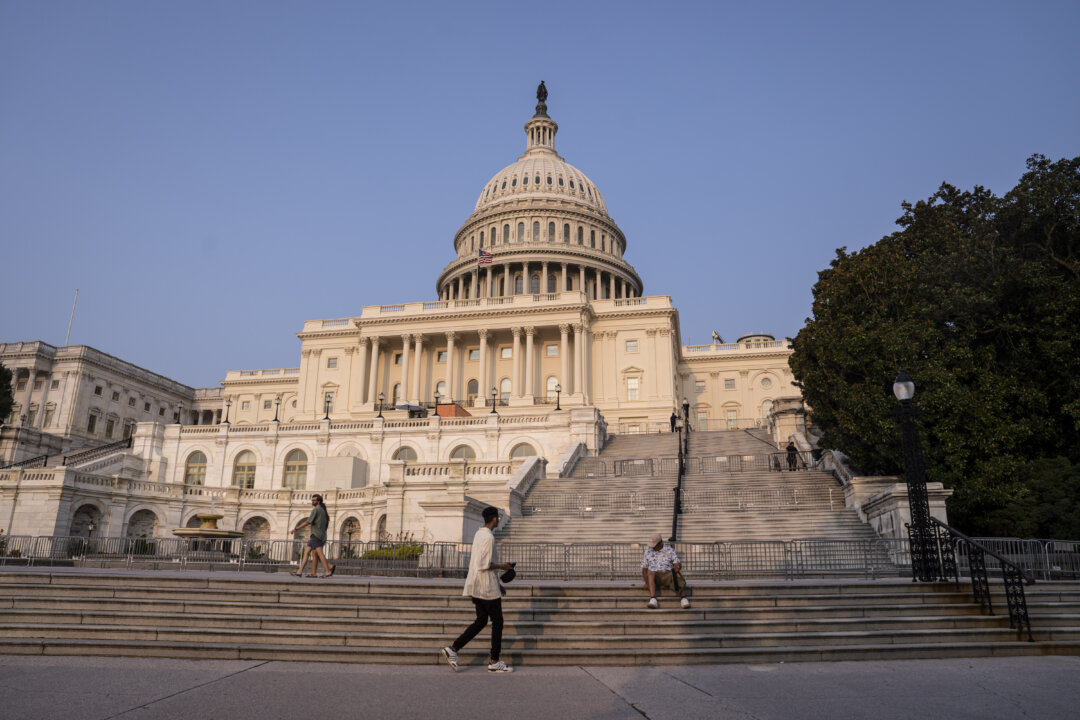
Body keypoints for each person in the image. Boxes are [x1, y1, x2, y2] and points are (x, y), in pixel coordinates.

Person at [441, 506, 514, 673]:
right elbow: (484, 564)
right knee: (498, 622)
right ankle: (494, 661)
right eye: (498, 517)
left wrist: (499, 583)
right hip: (486, 588)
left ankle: (453, 649)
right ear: (495, 519)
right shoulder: (488, 537)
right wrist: (503, 566)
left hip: (478, 585)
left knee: (481, 621)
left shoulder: (479, 533)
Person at [641, 533, 690, 609]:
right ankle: (653, 599)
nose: (653, 547)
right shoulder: (648, 551)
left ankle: (683, 598)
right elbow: (644, 570)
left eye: (655, 545)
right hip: (654, 576)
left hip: (667, 574)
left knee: (677, 573)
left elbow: (677, 562)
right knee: (651, 573)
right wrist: (646, 582)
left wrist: (677, 566)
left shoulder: (669, 550)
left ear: (660, 543)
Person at [292, 494, 335, 578]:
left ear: (318, 501)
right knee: (309, 553)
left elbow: (308, 521)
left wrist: (296, 528)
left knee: (319, 554)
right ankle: (302, 572)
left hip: (316, 535)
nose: (312, 502)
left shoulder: (316, 510)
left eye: (314, 500)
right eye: (312, 500)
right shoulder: (323, 510)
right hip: (320, 535)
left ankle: (327, 571)